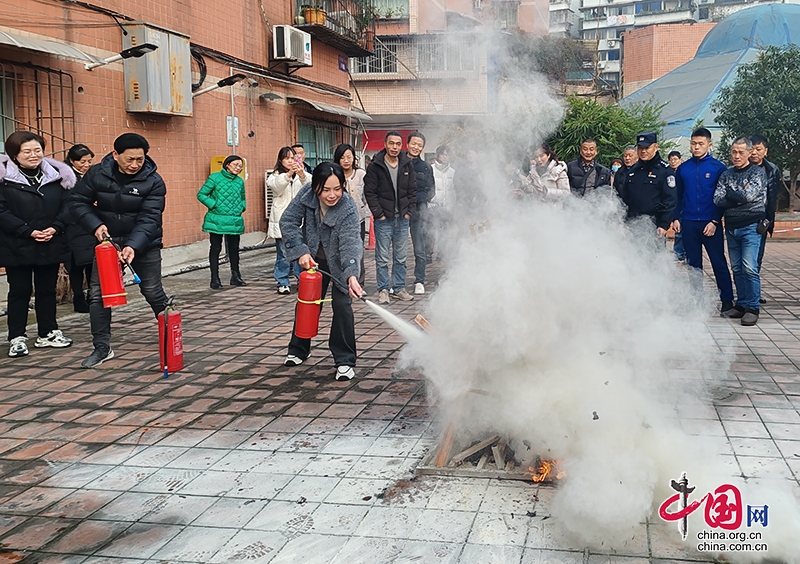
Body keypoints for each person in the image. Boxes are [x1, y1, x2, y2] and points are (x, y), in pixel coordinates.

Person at [70, 132, 170, 368]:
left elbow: (150, 218)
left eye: (140, 159)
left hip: (144, 243)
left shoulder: (154, 181)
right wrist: (96, 226)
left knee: (152, 290)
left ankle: (170, 331)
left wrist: (133, 246)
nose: (135, 164)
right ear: (115, 155)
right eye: (130, 159)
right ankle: (102, 347)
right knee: (97, 294)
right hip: (107, 244)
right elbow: (77, 201)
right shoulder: (96, 174)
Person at [280, 163, 364, 381]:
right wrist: (301, 251)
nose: (332, 195)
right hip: (313, 260)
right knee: (307, 303)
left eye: (337, 189)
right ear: (316, 185)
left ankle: (344, 359)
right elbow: (288, 221)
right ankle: (299, 349)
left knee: (342, 306)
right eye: (326, 189)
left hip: (341, 264)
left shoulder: (347, 206)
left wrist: (351, 274)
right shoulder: (306, 195)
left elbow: (350, 243)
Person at [0, 131, 75, 358]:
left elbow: (69, 206)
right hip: (17, 244)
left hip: (50, 242)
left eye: (38, 150)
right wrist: (27, 231)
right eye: (27, 151)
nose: (34, 155)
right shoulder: (4, 179)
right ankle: (17, 336)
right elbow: (1, 212)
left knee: (46, 290)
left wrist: (56, 227)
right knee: (20, 291)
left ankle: (48, 332)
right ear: (14, 154)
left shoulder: (56, 176)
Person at [671, 128, 733, 315]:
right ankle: (697, 301)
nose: (696, 147)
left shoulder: (718, 168)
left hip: (710, 223)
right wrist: (676, 217)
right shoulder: (683, 168)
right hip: (689, 223)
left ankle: (727, 301)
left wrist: (715, 220)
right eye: (693, 144)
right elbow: (678, 196)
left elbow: (723, 198)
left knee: (718, 263)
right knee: (693, 265)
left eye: (700, 144)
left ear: (709, 145)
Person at [713, 137, 767, 326]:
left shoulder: (757, 173)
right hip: (732, 227)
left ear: (750, 152)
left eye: (741, 152)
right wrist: (738, 196)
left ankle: (753, 307)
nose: (736, 156)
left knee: (749, 267)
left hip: (751, 227)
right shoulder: (726, 174)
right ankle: (742, 303)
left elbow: (749, 195)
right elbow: (717, 199)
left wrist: (732, 194)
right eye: (734, 152)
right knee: (736, 267)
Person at [363, 131, 417, 304]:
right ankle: (383, 289)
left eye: (398, 144)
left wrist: (409, 212)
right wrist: (378, 214)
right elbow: (370, 192)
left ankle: (399, 288)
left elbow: (412, 191)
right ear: (385, 144)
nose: (395, 147)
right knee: (382, 257)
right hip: (384, 219)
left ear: (402, 146)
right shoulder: (375, 165)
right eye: (391, 143)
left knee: (401, 257)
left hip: (402, 218)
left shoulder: (407, 164)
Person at [197, 155, 247, 289]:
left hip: (234, 219)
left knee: (234, 249)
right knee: (216, 248)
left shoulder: (240, 181)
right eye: (235, 165)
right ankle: (215, 278)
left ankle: (235, 276)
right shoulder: (215, 177)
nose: (238, 168)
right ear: (227, 165)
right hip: (216, 218)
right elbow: (201, 194)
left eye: (240, 166)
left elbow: (242, 197)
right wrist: (213, 205)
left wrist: (242, 207)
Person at [619, 132, 676, 236]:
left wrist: (663, 224)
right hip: (632, 225)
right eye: (640, 148)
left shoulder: (665, 171)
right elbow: (625, 199)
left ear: (655, 147)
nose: (643, 151)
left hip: (654, 226)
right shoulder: (633, 171)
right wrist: (623, 220)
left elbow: (670, 200)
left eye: (647, 147)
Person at [267, 146, 307, 294]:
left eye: (292, 158)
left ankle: (300, 279)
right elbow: (277, 188)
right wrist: (289, 174)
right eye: (287, 158)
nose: (290, 161)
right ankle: (282, 281)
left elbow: (310, 187)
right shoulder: (274, 176)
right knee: (283, 254)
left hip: (300, 221)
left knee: (300, 252)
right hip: (282, 221)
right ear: (280, 160)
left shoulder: (303, 174)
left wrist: (301, 174)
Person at [749, 134, 781, 304]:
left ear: (765, 151)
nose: (754, 152)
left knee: (757, 258)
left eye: (758, 149)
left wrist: (770, 222)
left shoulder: (772, 170)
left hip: (762, 220)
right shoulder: (737, 169)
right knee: (744, 262)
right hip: (744, 219)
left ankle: (754, 293)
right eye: (751, 148)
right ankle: (746, 294)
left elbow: (773, 197)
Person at [65, 143, 95, 313]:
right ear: (72, 161)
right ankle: (78, 297)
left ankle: (93, 295)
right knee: (76, 265)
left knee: (92, 263)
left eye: (89, 161)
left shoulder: (92, 176)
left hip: (90, 225)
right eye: (82, 162)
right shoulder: (65, 178)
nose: (86, 165)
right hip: (73, 226)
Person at [333, 143, 367, 287]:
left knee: (357, 250)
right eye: (342, 158)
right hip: (337, 220)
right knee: (337, 251)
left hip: (358, 219)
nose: (346, 160)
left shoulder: (361, 174)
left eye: (349, 157)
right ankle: (340, 281)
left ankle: (359, 282)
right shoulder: (333, 174)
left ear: (354, 158)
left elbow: (366, 195)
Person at [406, 131, 435, 295]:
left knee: (420, 249)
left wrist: (413, 200)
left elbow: (431, 191)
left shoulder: (425, 167)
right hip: (400, 213)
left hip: (419, 213)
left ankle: (419, 280)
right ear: (407, 144)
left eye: (419, 145)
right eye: (414, 143)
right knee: (398, 250)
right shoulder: (398, 163)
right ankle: (398, 283)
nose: (416, 147)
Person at [429, 144, 455, 261]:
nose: (445, 157)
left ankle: (441, 254)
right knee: (430, 232)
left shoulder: (452, 172)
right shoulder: (431, 169)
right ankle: (428, 254)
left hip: (447, 207)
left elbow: (454, 190)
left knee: (444, 232)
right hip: (433, 206)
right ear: (438, 155)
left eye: (447, 155)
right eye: (442, 154)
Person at [667, 150, 686, 261]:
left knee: (682, 229)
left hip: (683, 202)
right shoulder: (668, 172)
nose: (673, 162)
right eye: (671, 160)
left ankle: (681, 252)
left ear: (680, 160)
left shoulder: (684, 171)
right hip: (672, 202)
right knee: (677, 229)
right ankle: (678, 251)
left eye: (675, 159)